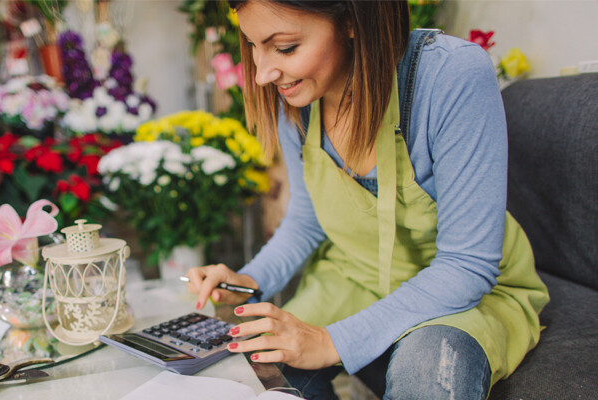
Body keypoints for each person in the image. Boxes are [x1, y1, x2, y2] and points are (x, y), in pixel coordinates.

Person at [183, 1, 549, 399]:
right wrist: (249, 281)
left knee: (427, 370)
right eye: (253, 45)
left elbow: (467, 265)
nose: (262, 73)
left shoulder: (451, 75)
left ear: (353, 21)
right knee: (249, 364)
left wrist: (331, 341)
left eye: (285, 47)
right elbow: (307, 220)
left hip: (461, 294)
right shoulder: (296, 98)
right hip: (355, 276)